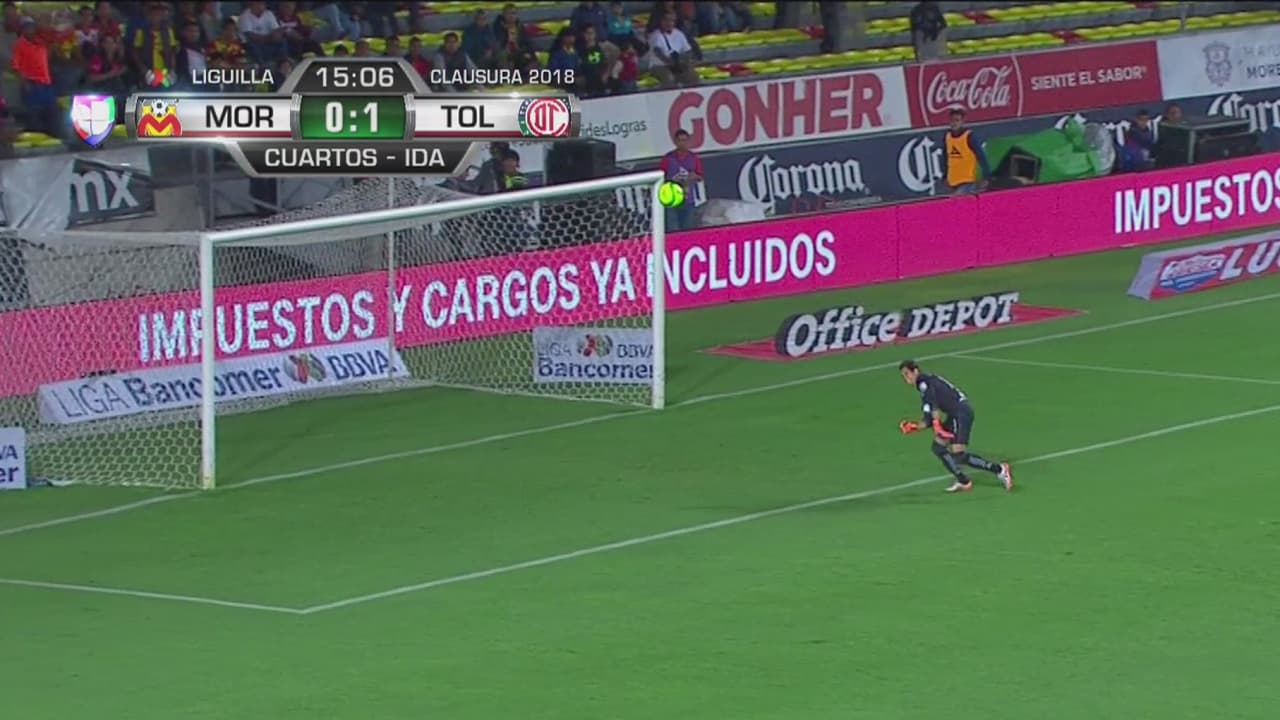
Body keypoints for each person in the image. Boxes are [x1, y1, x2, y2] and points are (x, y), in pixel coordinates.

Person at [897, 360, 1013, 493]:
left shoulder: (925, 383)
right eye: (903, 376)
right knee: (938, 447)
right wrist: (915, 427)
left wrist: (936, 424)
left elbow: (934, 408)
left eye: (907, 374)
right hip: (954, 414)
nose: (906, 378)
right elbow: (929, 417)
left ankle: (1000, 469)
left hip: (961, 413)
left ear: (916, 371)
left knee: (958, 454)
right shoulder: (925, 385)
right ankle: (963, 481)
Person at [659, 129, 703, 231]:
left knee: (688, 230)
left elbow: (700, 177)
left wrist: (693, 176)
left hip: (688, 200)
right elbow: (660, 177)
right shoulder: (668, 158)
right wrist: (671, 180)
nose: (683, 143)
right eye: (680, 140)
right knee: (673, 230)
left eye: (685, 140)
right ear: (675, 142)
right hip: (672, 200)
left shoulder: (694, 158)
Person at [648, 10, 699, 88]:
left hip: (676, 64)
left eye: (672, 20)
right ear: (660, 21)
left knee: (692, 76)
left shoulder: (679, 33)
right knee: (669, 77)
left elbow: (688, 51)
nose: (669, 23)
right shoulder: (655, 35)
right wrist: (672, 63)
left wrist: (685, 62)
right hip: (659, 66)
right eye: (666, 20)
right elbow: (658, 52)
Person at [944, 108, 989, 193]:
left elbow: (981, 157)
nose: (954, 123)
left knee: (959, 199)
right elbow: (946, 158)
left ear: (962, 122)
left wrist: (986, 177)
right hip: (952, 181)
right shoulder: (947, 137)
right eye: (952, 120)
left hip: (967, 181)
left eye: (957, 120)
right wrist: (945, 176)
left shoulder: (969, 137)